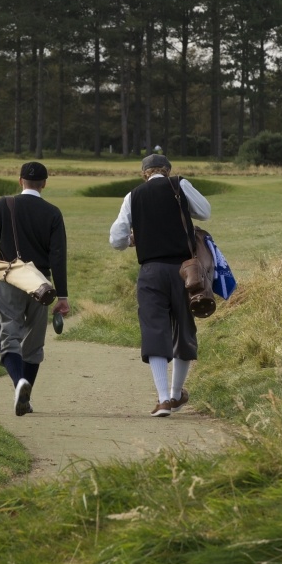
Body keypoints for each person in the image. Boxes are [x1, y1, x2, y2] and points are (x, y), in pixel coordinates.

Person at [109, 153, 211, 416]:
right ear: (167, 170)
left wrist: (132, 240)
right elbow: (205, 212)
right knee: (184, 330)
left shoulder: (133, 196)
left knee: (155, 330)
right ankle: (177, 395)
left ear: (144, 173)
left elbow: (116, 239)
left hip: (150, 271)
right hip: (184, 271)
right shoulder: (179, 184)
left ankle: (163, 399)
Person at [0, 161, 69, 416]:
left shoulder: (5, 204)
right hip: (41, 285)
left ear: (20, 180)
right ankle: (27, 394)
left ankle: (18, 383)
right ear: (44, 183)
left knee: (9, 336)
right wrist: (63, 295)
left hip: (12, 279)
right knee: (33, 345)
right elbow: (58, 257)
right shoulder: (53, 213)